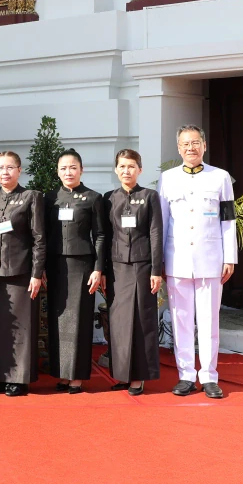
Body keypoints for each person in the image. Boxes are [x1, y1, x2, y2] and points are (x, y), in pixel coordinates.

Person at [158, 125, 237, 399]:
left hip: (210, 260)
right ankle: (186, 375)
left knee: (208, 320)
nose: (190, 148)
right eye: (185, 144)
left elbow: (228, 219)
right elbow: (162, 223)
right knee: (180, 320)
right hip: (177, 260)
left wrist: (230, 256)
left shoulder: (220, 177)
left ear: (204, 145)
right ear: (178, 149)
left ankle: (209, 376)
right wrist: (159, 263)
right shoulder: (167, 179)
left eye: (195, 143)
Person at [0, 151, 46, 397]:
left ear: (19, 170)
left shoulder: (31, 197)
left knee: (21, 327)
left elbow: (39, 238)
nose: (5, 172)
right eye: (0, 168)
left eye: (10, 168)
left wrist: (37, 273)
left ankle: (18, 379)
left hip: (21, 272)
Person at [44, 149, 106, 394]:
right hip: (55, 266)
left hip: (82, 266)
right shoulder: (50, 198)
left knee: (79, 320)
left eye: (72, 167)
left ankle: (77, 377)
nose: (68, 172)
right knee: (58, 320)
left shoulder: (93, 198)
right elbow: (43, 235)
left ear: (81, 169)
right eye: (63, 168)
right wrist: (41, 269)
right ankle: (61, 373)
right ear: (57, 171)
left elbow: (100, 235)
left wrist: (98, 268)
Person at [103, 149, 163, 395]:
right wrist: (103, 270)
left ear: (140, 169)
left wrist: (156, 270)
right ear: (116, 170)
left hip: (142, 266)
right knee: (118, 322)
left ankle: (138, 376)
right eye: (122, 166)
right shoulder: (109, 198)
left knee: (140, 319)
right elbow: (104, 237)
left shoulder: (149, 196)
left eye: (131, 166)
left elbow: (156, 234)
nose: (126, 171)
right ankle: (122, 374)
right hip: (116, 268)